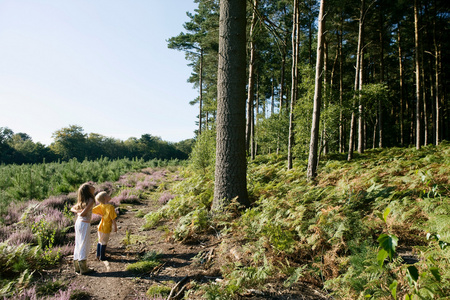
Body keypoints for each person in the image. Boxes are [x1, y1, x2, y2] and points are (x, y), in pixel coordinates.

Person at [71, 182, 96, 275]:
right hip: (84, 224)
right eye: (90, 185)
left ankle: (77, 266)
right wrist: (79, 212)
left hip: (78, 223)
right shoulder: (90, 199)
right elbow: (82, 213)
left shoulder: (83, 200)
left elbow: (72, 208)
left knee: (78, 243)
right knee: (84, 244)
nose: (92, 185)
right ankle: (83, 268)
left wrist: (78, 211)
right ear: (87, 190)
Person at [92, 191, 117, 262]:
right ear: (105, 197)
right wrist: (115, 227)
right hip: (106, 226)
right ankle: (102, 257)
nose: (109, 195)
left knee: (100, 240)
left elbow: (92, 210)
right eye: (107, 195)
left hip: (100, 225)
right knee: (104, 242)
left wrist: (100, 214)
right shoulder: (110, 207)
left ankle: (98, 255)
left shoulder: (101, 205)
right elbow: (113, 218)